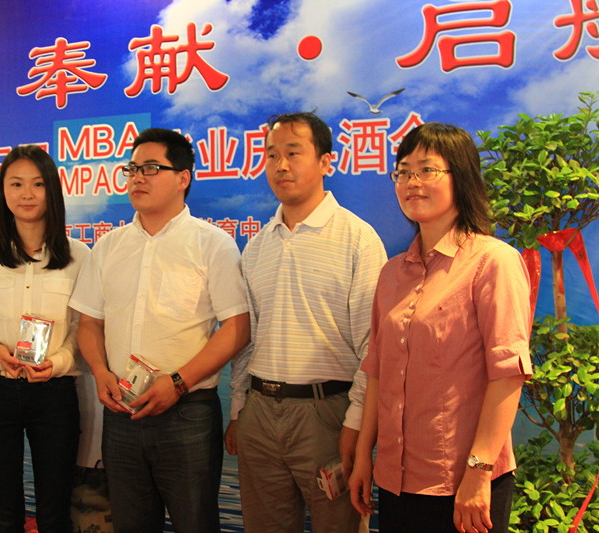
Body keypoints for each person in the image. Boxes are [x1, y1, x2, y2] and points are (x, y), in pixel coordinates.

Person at [348, 122, 532, 533]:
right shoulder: (391, 273)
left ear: (460, 177)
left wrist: (479, 471)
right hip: (396, 481)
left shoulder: (493, 262)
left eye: (427, 170)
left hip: (464, 483)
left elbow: (508, 375)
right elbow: (377, 372)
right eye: (403, 172)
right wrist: (364, 458)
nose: (412, 182)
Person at [69, 127, 250, 533]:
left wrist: (179, 383)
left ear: (183, 177)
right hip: (122, 413)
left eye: (151, 168)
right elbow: (90, 323)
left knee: (195, 523)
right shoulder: (109, 246)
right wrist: (99, 371)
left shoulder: (212, 243)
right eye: (132, 169)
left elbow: (237, 328)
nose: (137, 177)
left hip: (187, 414)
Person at [225, 111, 387, 533]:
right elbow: (248, 340)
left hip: (328, 415)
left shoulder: (358, 239)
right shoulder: (257, 246)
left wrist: (356, 423)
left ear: (326, 162)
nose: (280, 165)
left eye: (293, 153)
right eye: (271, 155)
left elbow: (374, 347)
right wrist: (239, 410)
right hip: (260, 413)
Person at [0, 145, 88, 532]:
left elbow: (83, 329)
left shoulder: (79, 255)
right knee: (4, 513)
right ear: (3, 191)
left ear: (53, 191)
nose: (26, 194)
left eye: (37, 184)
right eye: (16, 184)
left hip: (54, 392)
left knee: (54, 512)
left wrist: (57, 363)